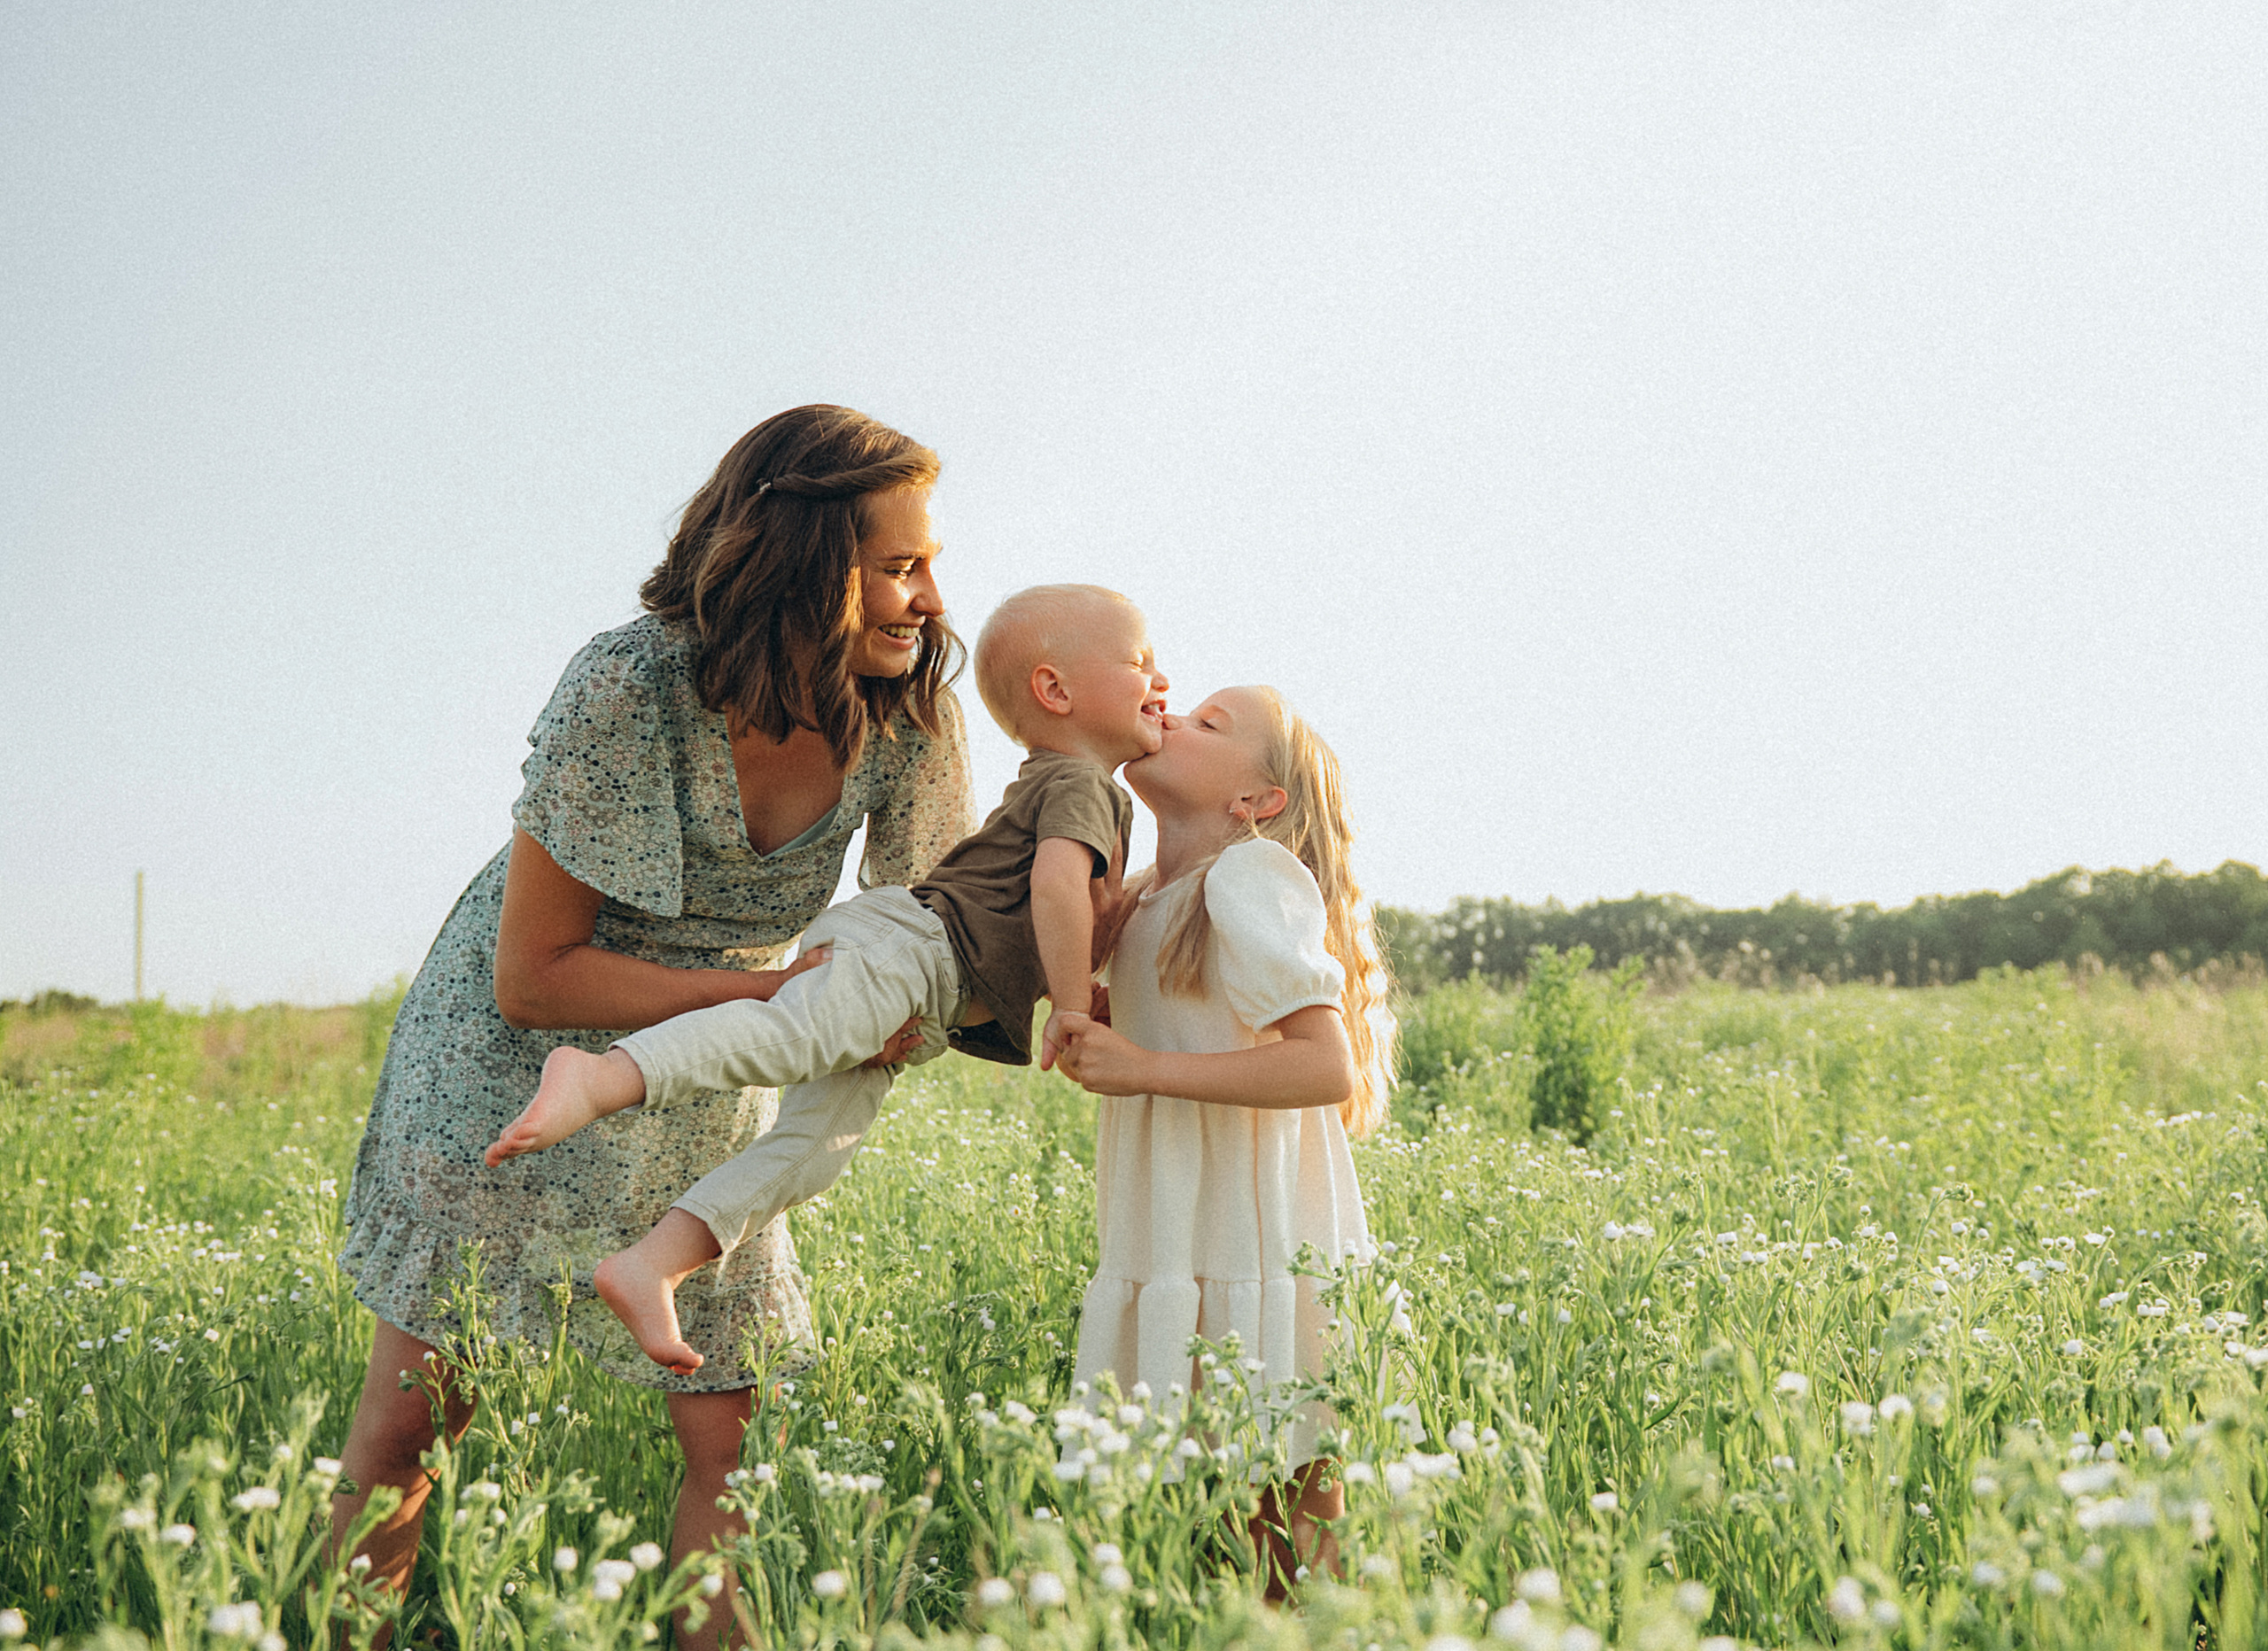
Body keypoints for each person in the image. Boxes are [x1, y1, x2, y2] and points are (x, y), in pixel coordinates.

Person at [329, 406, 975, 1651]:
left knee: (731, 1440)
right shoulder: (631, 684)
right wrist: (779, 1002)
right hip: (508, 1070)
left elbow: (933, 922)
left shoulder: (910, 713)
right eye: (898, 566)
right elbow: (538, 979)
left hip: (711, 1065)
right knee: (414, 1424)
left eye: (929, 564)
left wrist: (904, 1007)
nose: (932, 599)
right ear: (804, 562)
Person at [482, 584, 1170, 1373]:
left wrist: (1084, 976)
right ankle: (600, 1076)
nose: (1161, 681)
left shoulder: (1074, 788)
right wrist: (1073, 1009)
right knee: (794, 1035)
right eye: (1140, 663)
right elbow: (1054, 890)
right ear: (1055, 690)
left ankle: (654, 1263)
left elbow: (1044, 920)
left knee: (815, 1151)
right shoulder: (1085, 785)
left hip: (918, 987)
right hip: (908, 953)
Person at [1051, 685, 1393, 1594]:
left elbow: (1324, 1067)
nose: (1169, 716)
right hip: (1183, 1232)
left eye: (1209, 724)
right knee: (1215, 1523)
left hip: (1258, 1233)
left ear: (1256, 801)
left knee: (1289, 1520)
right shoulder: (1146, 898)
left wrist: (1144, 1066)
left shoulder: (1246, 877)